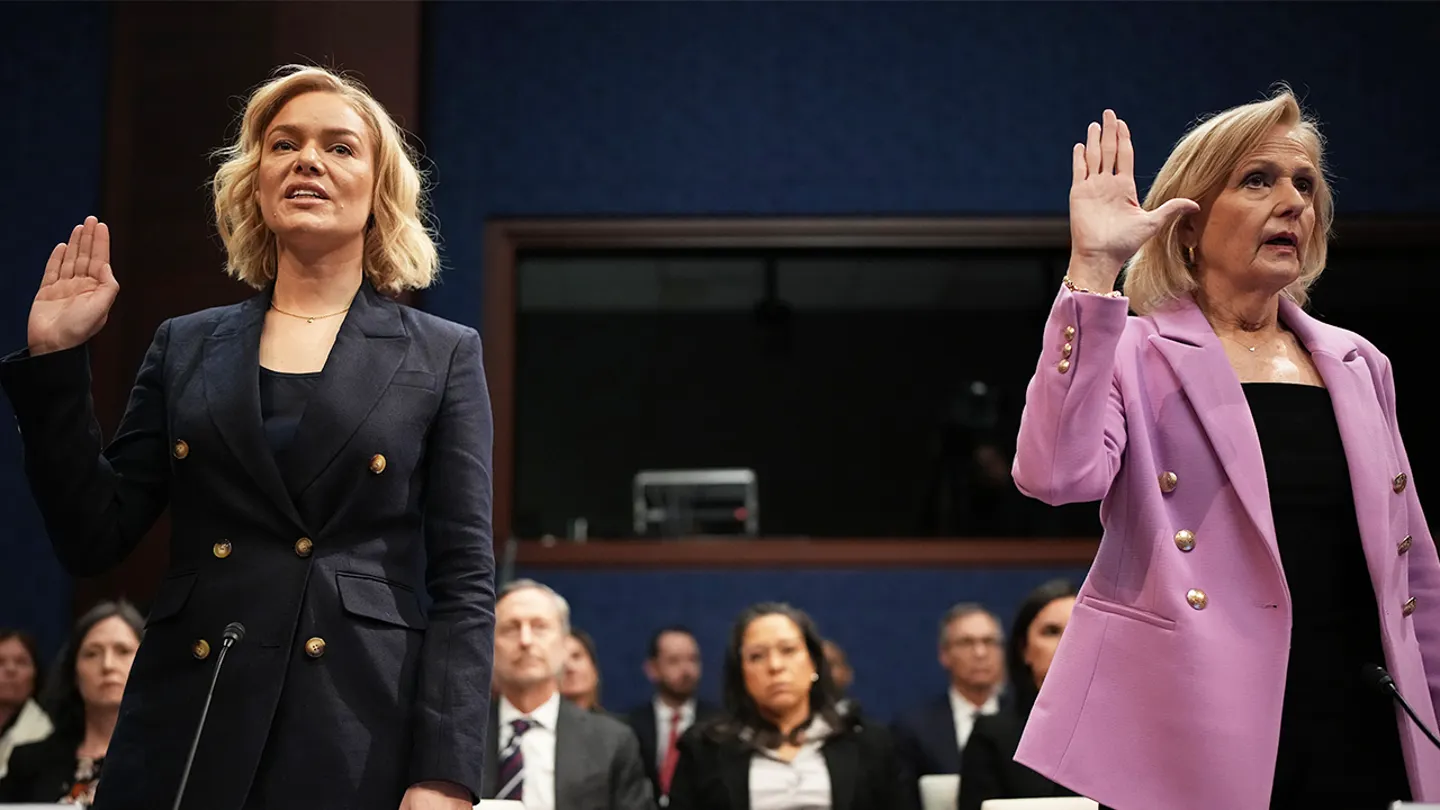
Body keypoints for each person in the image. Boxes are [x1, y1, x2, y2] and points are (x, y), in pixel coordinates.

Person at [0, 64, 496, 810]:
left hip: (354, 726)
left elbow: (463, 584)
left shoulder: (443, 352)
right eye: (283, 144)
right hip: (188, 720)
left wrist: (444, 775)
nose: (307, 160)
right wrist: (56, 364)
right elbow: (93, 538)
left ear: (379, 190)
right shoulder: (186, 345)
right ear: (255, 183)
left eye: (339, 147)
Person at [1010, 89, 1440, 809]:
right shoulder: (1133, 351)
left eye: (1305, 183)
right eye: (1257, 180)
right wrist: (1091, 270)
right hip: (1190, 725)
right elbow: (1055, 477)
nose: (1293, 202)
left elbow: (1412, 574)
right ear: (1186, 223)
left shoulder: (1361, 363)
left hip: (1357, 720)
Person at [667, 603, 916, 810]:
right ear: (741, 674)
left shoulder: (868, 743)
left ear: (814, 664)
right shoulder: (704, 750)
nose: (775, 666)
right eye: (757, 656)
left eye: (788, 650)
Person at [481, 580, 654, 809]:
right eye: (511, 628)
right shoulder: (459, 737)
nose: (526, 640)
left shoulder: (611, 741)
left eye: (540, 626)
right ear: (490, 646)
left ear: (564, 643)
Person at [0, 601, 142, 805]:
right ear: (74, 672)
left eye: (123, 651)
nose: (107, 665)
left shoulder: (171, 759)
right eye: (92, 653)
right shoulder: (29, 762)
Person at [957, 580, 1077, 810]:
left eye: (1078, 630)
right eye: (1051, 632)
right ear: (1024, 649)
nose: (1068, 641)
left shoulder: (1122, 734)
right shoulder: (992, 738)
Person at [891, 604, 1006, 780]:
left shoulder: (1027, 720)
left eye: (989, 642)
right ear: (944, 654)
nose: (980, 653)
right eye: (966, 643)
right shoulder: (915, 729)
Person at [625, 626, 719, 805]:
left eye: (693, 659)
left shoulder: (719, 725)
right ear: (652, 669)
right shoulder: (630, 726)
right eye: (674, 661)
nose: (686, 670)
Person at [0, 629, 53, 780]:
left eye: (21, 662)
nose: (10, 669)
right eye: (0, 662)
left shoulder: (46, 733)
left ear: (35, 674)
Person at [560, 628, 606, 713]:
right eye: (559, 660)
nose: (570, 667)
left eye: (576, 656)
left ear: (594, 670)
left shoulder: (616, 725)